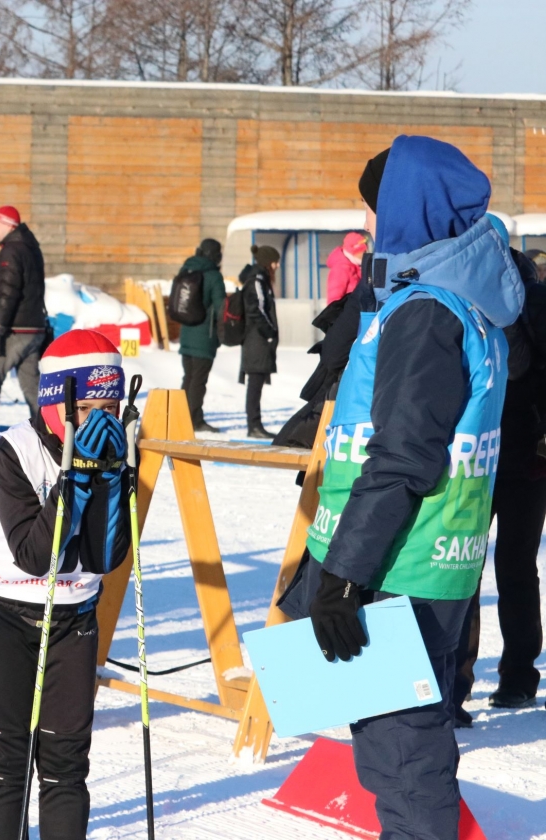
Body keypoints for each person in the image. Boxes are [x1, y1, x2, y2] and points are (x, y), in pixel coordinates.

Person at [280, 136, 522, 840]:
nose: (370, 223)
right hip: (423, 561)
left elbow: (402, 455)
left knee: (406, 760)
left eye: (375, 208)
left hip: (397, 569)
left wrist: (344, 576)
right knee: (392, 755)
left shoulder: (427, 312)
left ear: (407, 209)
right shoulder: (457, 304)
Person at [0, 329, 131, 840]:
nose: (99, 422)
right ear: (55, 401)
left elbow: (105, 556)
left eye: (111, 408)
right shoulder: (8, 451)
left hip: (74, 615)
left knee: (66, 760)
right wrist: (75, 481)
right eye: (87, 407)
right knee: (10, 756)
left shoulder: (111, 450)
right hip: (7, 608)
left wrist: (107, 477)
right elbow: (36, 556)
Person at [452, 248, 546, 723]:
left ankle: (505, 679)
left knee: (487, 568)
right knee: (486, 569)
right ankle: (471, 684)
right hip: (499, 460)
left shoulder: (518, 309)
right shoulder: (476, 308)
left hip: (509, 458)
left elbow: (519, 369)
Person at [0, 206, 47, 441]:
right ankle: (47, 433)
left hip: (15, 330)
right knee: (31, 385)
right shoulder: (30, 248)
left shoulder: (12, 252)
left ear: (7, 224)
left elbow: (7, 294)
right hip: (33, 328)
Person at [176, 238, 226, 433]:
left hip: (186, 333)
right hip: (204, 336)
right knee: (198, 380)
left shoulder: (186, 269)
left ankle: (181, 417)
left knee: (188, 377)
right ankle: (195, 420)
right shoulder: (213, 275)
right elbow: (222, 306)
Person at [239, 245, 280, 439]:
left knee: (256, 383)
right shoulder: (257, 280)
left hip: (258, 340)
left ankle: (255, 424)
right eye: (275, 261)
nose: (277, 265)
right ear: (267, 262)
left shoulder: (260, 279)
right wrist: (269, 331)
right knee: (254, 383)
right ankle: (253, 425)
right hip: (256, 340)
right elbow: (257, 309)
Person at [326, 232, 369, 304]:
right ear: (353, 251)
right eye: (362, 252)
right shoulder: (341, 268)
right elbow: (334, 300)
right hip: (348, 313)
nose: (365, 254)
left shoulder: (356, 266)